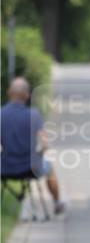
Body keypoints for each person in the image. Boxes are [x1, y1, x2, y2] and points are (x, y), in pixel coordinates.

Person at [1, 76, 65, 214]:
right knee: (49, 167)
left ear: (8, 92)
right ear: (27, 95)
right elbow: (45, 143)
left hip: (5, 168)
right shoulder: (34, 115)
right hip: (30, 168)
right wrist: (41, 153)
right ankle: (57, 203)